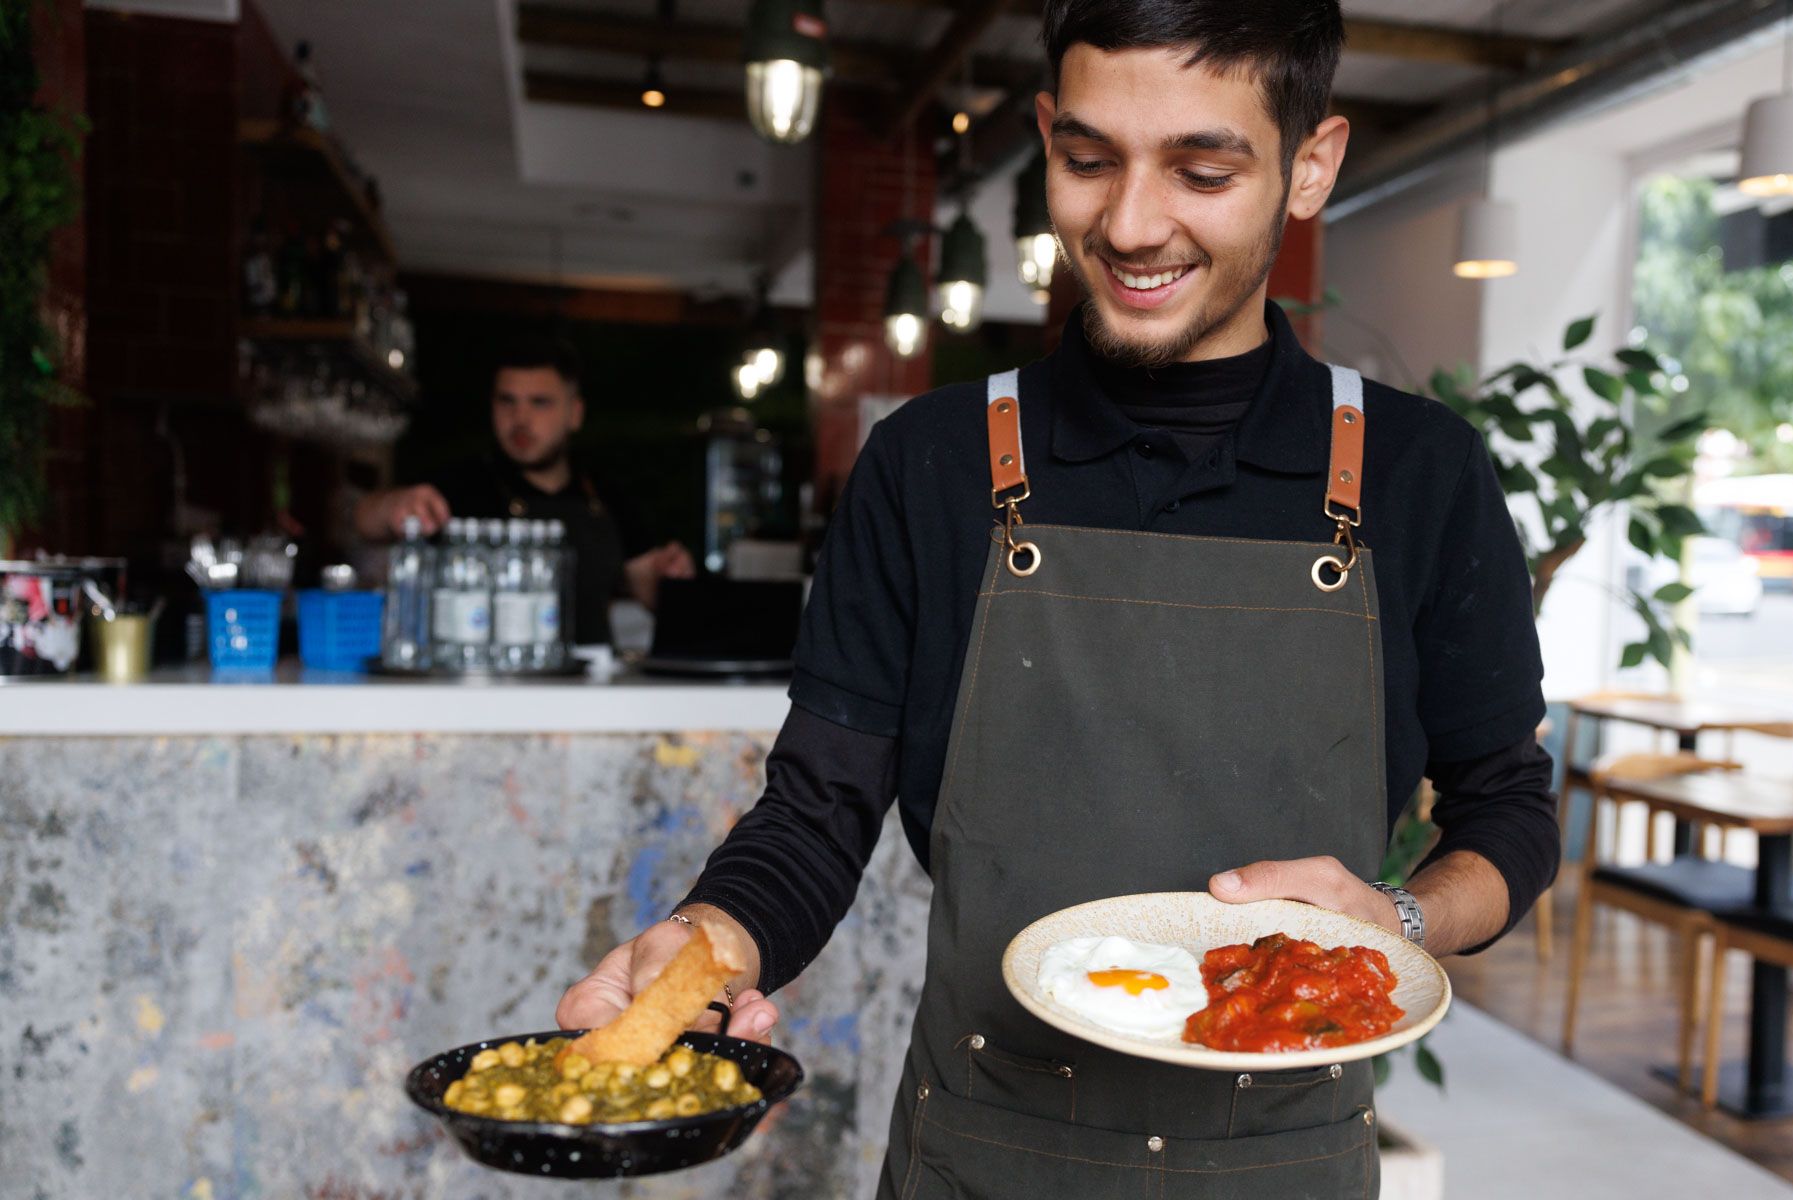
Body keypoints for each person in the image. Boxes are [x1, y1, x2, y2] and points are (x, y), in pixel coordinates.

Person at [561, 1, 1558, 1192]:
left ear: (1311, 166)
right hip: (979, 1151)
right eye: (1088, 161)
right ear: (1044, 136)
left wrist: (1398, 920)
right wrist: (704, 941)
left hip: (1280, 1159)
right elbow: (819, 810)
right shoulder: (929, 463)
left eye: (1201, 170)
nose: (1129, 225)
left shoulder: (1418, 473)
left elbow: (1511, 812)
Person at [354, 335, 694, 645]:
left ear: (574, 414)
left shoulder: (607, 495)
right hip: (479, 681)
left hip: (591, 686)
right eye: (507, 401)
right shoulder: (461, 485)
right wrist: (392, 506)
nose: (520, 418)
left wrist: (670, 575)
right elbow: (365, 521)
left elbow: (649, 589)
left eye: (539, 402)